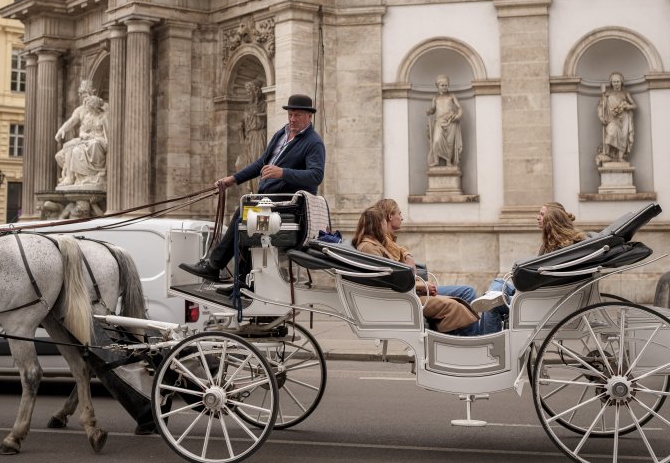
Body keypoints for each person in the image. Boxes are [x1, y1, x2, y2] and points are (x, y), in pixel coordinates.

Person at [180, 93, 326, 281]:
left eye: (297, 115)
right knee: (247, 224)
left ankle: (214, 266)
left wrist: (282, 172)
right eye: (290, 114)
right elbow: (261, 164)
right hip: (268, 203)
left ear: (309, 116)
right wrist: (233, 179)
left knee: (245, 216)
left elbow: (316, 176)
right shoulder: (282, 133)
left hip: (286, 210)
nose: (292, 119)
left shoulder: (313, 142)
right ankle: (241, 281)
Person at [353, 205, 479, 335]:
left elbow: (391, 272)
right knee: (455, 306)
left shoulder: (374, 244)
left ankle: (463, 343)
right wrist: (420, 286)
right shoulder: (369, 247)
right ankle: (468, 345)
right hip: (402, 298)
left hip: (406, 294)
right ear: (378, 224)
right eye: (384, 221)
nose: (386, 225)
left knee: (458, 303)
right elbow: (386, 280)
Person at [472, 202, 587, 333]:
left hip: (542, 299)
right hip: (540, 292)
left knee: (491, 305)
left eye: (542, 214)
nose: (537, 217)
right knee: (498, 283)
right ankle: (483, 332)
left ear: (552, 220)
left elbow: (545, 280)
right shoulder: (555, 243)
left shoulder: (562, 249)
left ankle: (487, 343)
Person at [374, 198, 475, 305]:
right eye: (399, 214)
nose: (402, 218)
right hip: (412, 295)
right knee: (468, 292)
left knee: (467, 292)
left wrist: (407, 254)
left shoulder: (388, 242)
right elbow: (397, 279)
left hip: (413, 291)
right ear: (390, 216)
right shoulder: (385, 244)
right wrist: (422, 285)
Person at [55, 81, 108, 187]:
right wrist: (61, 130)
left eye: (86, 94)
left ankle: (72, 177)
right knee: (61, 153)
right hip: (84, 138)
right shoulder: (80, 110)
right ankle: (71, 176)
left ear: (93, 92)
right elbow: (71, 121)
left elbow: (106, 127)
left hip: (95, 139)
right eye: (82, 95)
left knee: (72, 149)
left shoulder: (103, 108)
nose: (84, 98)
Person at [597, 72, 636, 163]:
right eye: (614, 82)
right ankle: (606, 154)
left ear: (621, 82)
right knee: (611, 133)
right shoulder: (607, 93)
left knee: (623, 137)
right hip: (612, 118)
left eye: (618, 81)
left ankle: (620, 157)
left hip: (624, 118)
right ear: (611, 82)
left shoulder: (625, 93)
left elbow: (634, 105)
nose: (616, 83)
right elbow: (600, 106)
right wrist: (601, 117)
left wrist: (627, 107)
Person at [426, 75, 462, 167]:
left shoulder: (451, 96)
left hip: (451, 121)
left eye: (446, 85)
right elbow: (433, 109)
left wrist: (458, 115)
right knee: (436, 141)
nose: (444, 87)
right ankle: (436, 161)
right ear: (438, 86)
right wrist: (429, 111)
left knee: (449, 142)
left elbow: (459, 108)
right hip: (439, 121)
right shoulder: (435, 98)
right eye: (442, 85)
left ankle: (448, 162)